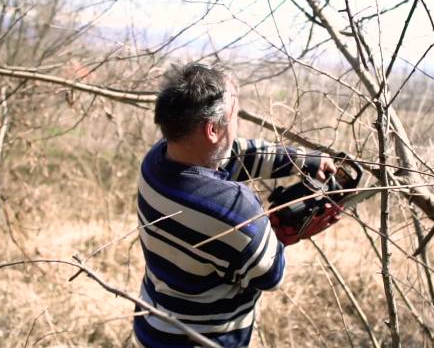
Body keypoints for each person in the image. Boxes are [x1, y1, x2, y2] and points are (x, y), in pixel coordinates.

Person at [134, 63, 338, 348]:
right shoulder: (236, 210)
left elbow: (238, 153)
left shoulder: (156, 161)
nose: (237, 124)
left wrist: (303, 159)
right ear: (213, 129)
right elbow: (271, 275)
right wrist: (282, 234)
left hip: (152, 327)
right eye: (235, 116)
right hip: (203, 340)